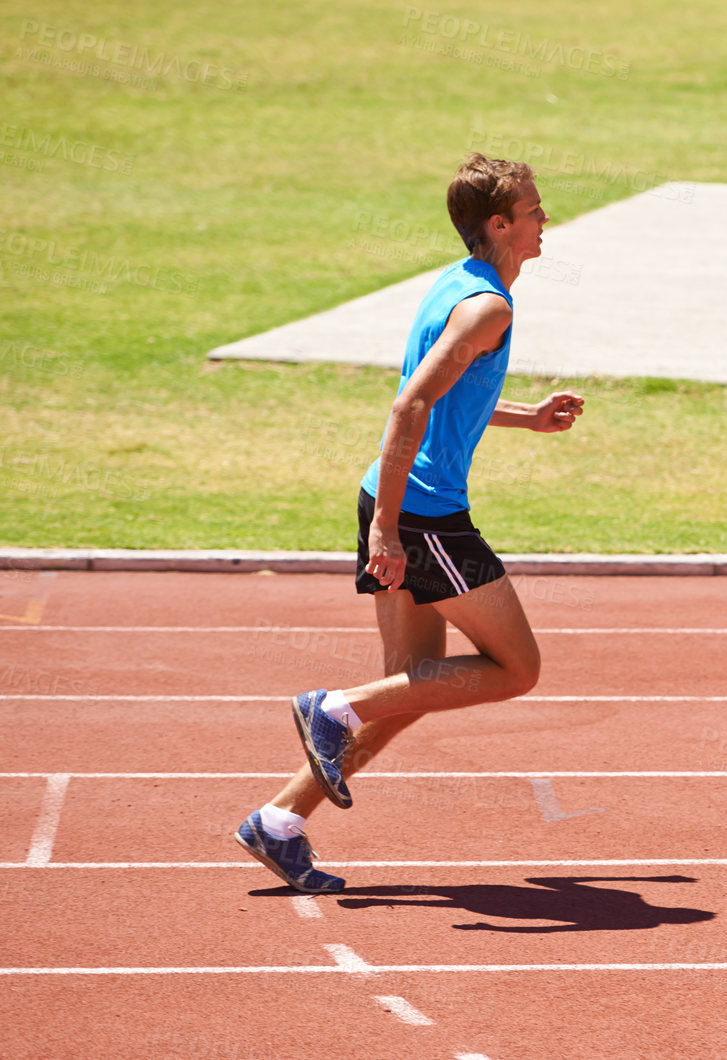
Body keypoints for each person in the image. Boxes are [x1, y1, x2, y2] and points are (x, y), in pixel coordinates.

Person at [235, 153, 585, 894]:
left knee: (417, 685)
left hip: (394, 502)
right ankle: (331, 706)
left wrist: (529, 418)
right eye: (533, 209)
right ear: (499, 224)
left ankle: (280, 822)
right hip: (421, 516)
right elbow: (409, 408)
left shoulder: (461, 288)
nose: (543, 219)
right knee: (516, 670)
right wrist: (389, 532)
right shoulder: (489, 306)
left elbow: (445, 398)